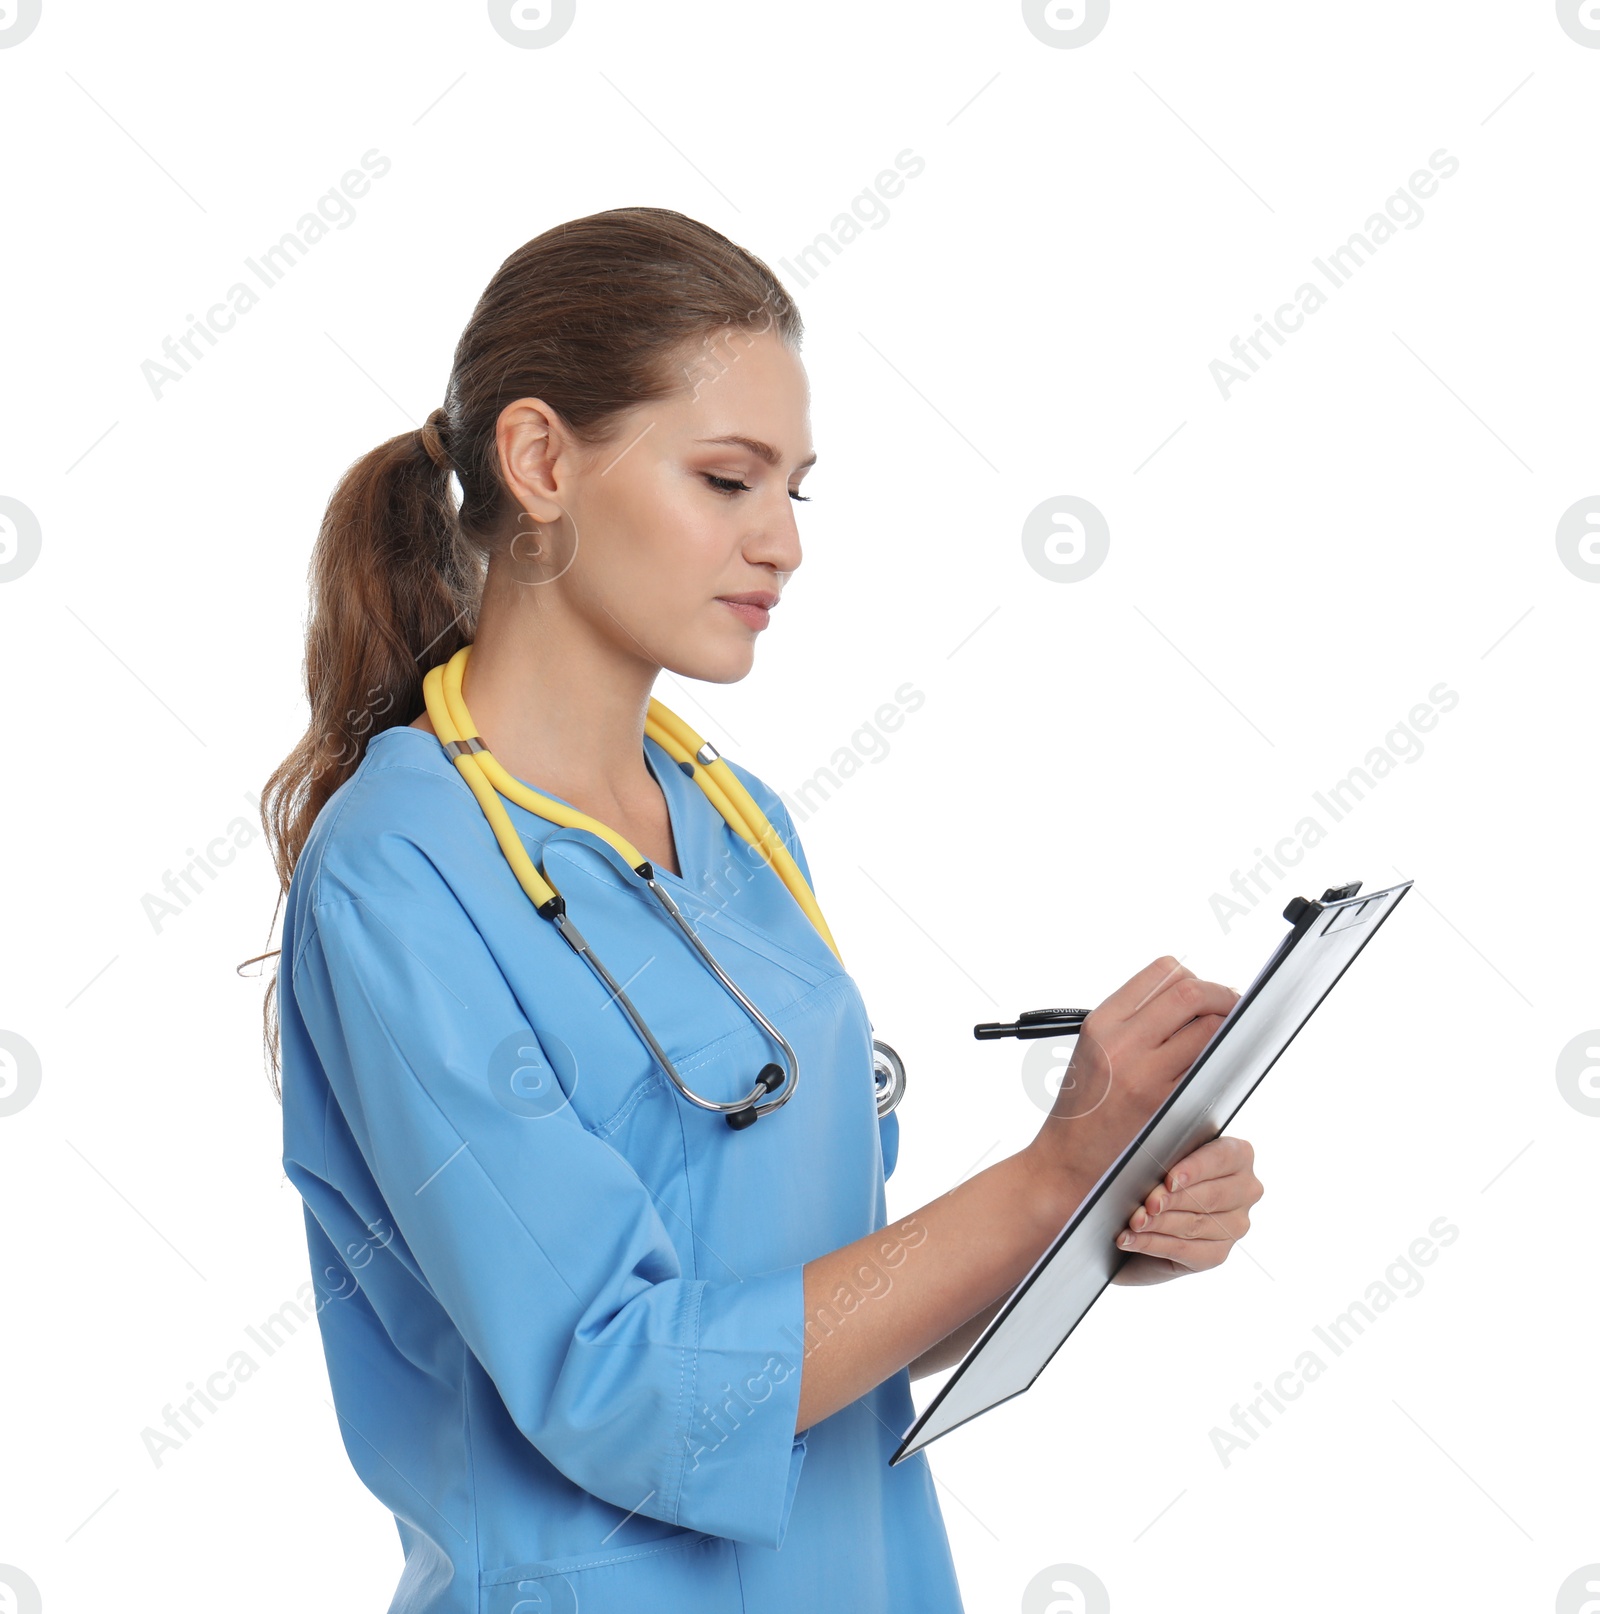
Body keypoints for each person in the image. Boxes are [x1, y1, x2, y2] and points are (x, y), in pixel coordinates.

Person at [256, 206, 1264, 1613]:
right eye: (729, 479)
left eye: (797, 489)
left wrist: (1094, 1208)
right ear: (540, 459)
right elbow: (629, 1384)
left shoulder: (736, 820)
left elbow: (813, 1310)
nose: (782, 543)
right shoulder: (397, 875)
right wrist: (1040, 1176)